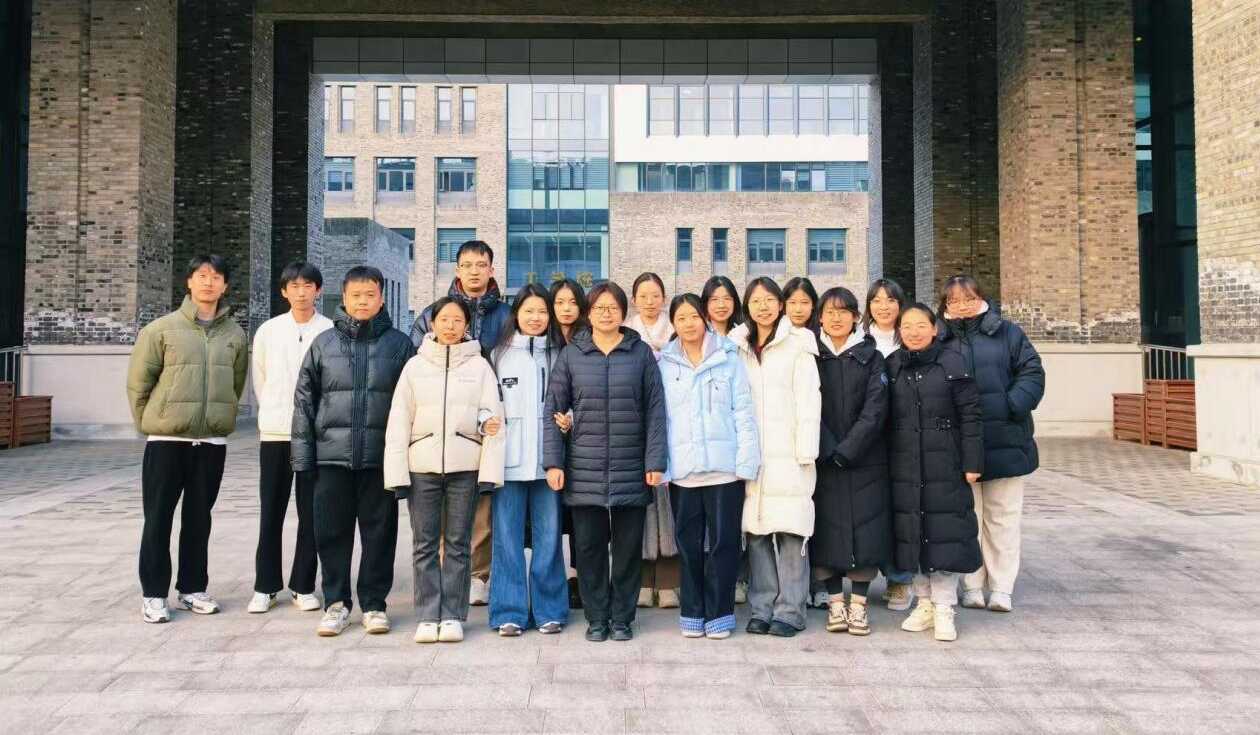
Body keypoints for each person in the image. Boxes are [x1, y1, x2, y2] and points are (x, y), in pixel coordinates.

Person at [293, 266, 415, 637]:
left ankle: (375, 605)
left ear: (382, 298)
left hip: (380, 459)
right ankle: (336, 603)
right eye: (356, 295)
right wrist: (303, 458)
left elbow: (414, 405)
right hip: (331, 459)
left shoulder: (399, 345)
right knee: (331, 533)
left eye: (370, 295)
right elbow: (304, 403)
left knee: (380, 534)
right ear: (343, 298)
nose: (363, 302)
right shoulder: (324, 344)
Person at [544, 282, 668, 642]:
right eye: (599, 308)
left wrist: (655, 461)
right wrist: (554, 463)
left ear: (623, 312)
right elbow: (553, 409)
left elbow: (656, 410)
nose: (606, 314)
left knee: (628, 550)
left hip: (632, 466)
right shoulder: (572, 355)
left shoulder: (640, 353)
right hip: (584, 467)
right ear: (589, 313)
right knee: (589, 549)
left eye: (613, 307)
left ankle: (622, 618)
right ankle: (596, 617)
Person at [127, 254, 248, 624]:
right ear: (189, 282)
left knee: (199, 519)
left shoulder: (235, 334)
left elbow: (236, 384)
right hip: (166, 442)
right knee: (158, 519)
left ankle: (192, 588)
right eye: (202, 275)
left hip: (210, 444)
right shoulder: (161, 330)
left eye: (216, 277)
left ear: (225, 286)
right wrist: (153, 423)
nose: (209, 282)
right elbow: (138, 384)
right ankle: (153, 595)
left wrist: (218, 419)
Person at [385, 297, 505, 644]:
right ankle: (427, 614)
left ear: (466, 326)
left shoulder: (480, 366)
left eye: (457, 320)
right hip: (421, 467)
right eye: (444, 320)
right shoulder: (415, 366)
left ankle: (452, 614)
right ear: (432, 324)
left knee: (458, 543)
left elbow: (492, 414)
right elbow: (399, 420)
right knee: (424, 544)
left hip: (464, 467)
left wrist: (487, 441)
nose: (450, 326)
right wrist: (396, 474)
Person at [410, 240, 511, 607]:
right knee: (441, 507)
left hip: (489, 416)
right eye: (466, 265)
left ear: (491, 270)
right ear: (456, 269)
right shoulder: (432, 313)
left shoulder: (507, 315)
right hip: (441, 420)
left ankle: (478, 574)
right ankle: (443, 571)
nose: (473, 271)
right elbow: (416, 361)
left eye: (480, 265)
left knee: (482, 504)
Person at [937, 275, 1045, 613]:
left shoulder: (1008, 333)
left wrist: (1010, 405)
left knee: (1003, 517)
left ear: (981, 298)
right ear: (945, 304)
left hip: (1006, 439)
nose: (962, 305)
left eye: (969, 298)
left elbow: (1032, 373)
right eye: (954, 300)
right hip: (958, 444)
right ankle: (971, 585)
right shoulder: (939, 337)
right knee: (967, 518)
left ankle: (1001, 587)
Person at [658, 294, 760, 639]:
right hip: (683, 471)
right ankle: (692, 611)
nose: (688, 324)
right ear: (673, 323)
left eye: (694, 316)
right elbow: (661, 419)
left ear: (704, 318)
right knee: (688, 545)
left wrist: (746, 463)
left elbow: (743, 412)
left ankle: (720, 614)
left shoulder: (728, 357)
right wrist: (662, 465)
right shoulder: (665, 363)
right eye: (681, 318)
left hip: (724, 470)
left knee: (724, 544)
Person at [728, 277, 821, 637]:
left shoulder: (798, 343)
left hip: (790, 452)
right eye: (756, 301)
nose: (763, 307)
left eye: (769, 300)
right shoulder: (737, 346)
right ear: (747, 306)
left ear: (780, 304)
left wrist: (806, 451)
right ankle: (762, 607)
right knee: (756, 532)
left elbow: (810, 399)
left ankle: (791, 610)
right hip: (752, 454)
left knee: (792, 532)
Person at [886, 303, 983, 642]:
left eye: (920, 325)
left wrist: (973, 462)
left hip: (945, 463)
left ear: (934, 328)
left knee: (944, 534)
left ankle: (944, 606)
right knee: (912, 534)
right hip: (904, 464)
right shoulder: (893, 365)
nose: (913, 332)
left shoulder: (952, 362)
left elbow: (971, 415)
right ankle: (924, 602)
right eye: (907, 326)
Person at [248, 261, 333, 614]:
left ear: (318, 290)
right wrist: (272, 413)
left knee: (311, 513)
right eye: (294, 286)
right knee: (271, 510)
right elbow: (261, 379)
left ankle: (303, 585)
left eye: (308, 285)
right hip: (276, 433)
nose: (301, 292)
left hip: (314, 435)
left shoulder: (329, 330)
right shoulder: (269, 331)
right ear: (284, 291)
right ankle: (265, 586)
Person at [485, 284, 570, 636]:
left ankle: (550, 610)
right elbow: (484, 401)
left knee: (549, 539)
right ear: (516, 314)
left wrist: (570, 418)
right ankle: (509, 611)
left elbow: (575, 398)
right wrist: (485, 420)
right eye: (528, 311)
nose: (535, 318)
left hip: (549, 461)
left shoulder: (561, 354)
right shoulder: (498, 355)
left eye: (542, 311)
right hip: (508, 462)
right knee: (506, 539)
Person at [812, 287, 891, 637]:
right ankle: (834, 603)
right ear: (820, 317)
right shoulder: (811, 355)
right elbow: (805, 404)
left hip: (865, 460)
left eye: (843, 311)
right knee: (826, 530)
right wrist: (828, 447)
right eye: (829, 312)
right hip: (823, 459)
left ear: (856, 317)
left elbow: (876, 408)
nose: (836, 318)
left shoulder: (871, 357)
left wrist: (849, 449)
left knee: (866, 529)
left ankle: (858, 604)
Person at [623, 272, 681, 610]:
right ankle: (644, 582)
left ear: (664, 298)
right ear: (634, 300)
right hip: (636, 427)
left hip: (672, 426)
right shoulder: (626, 334)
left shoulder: (676, 331)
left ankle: (669, 582)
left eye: (655, 295)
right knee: (641, 506)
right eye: (643, 295)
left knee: (669, 505)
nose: (649, 301)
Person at [862, 277, 916, 611]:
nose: (884, 307)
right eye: (877, 300)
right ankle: (862, 576)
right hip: (867, 439)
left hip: (905, 438)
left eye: (891, 300)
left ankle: (900, 579)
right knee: (871, 509)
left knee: (901, 510)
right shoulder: (859, 340)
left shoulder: (911, 339)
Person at [549, 277, 588, 609]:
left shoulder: (588, 339)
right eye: (559, 302)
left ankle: (577, 576)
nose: (566, 309)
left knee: (579, 515)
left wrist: (573, 415)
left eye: (572, 302)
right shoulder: (541, 339)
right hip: (547, 436)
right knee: (548, 514)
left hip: (581, 438)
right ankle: (550, 578)